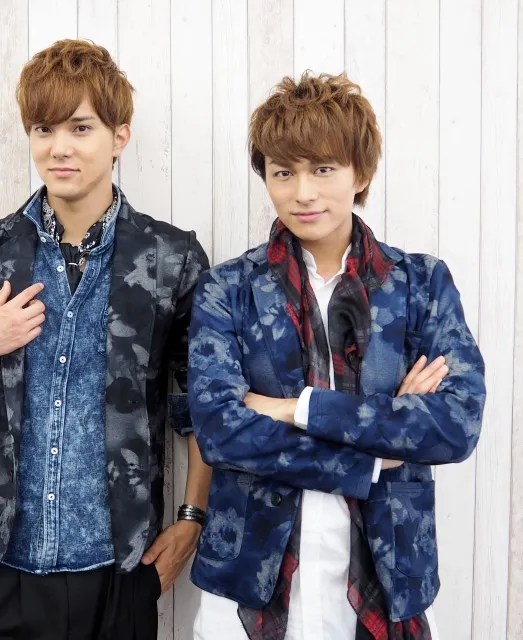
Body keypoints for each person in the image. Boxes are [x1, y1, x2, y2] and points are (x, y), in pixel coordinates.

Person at [0, 39, 211, 640]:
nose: (59, 147)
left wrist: (191, 518)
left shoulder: (171, 257)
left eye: (80, 128)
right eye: (44, 129)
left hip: (120, 569)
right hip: (4, 567)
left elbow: (201, 409)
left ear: (119, 135)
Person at [187, 72, 485, 640]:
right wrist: (374, 455)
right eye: (283, 172)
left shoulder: (420, 284)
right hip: (248, 584)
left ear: (360, 173)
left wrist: (293, 409)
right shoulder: (227, 289)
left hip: (387, 577)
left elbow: (456, 424)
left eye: (323, 169)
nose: (303, 192)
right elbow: (219, 431)